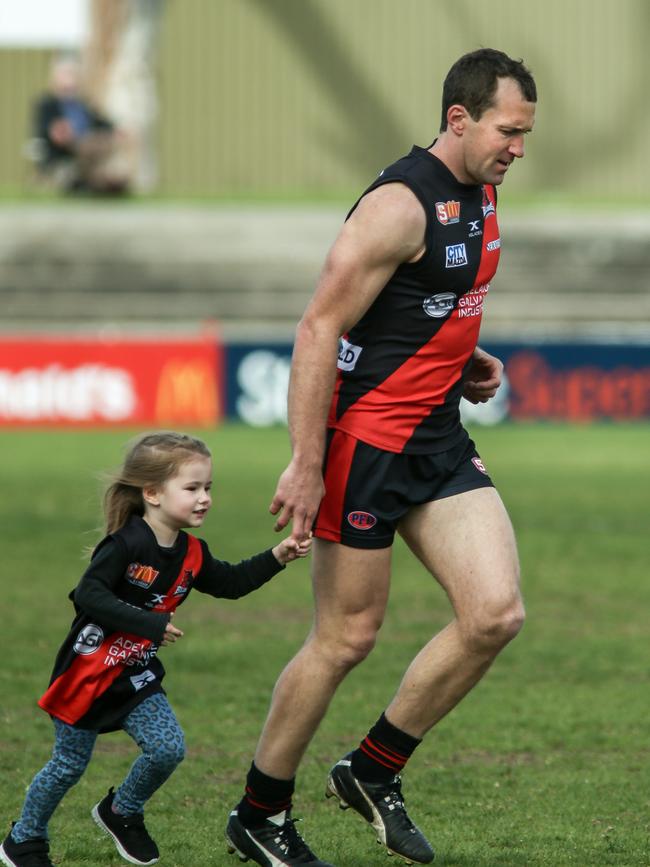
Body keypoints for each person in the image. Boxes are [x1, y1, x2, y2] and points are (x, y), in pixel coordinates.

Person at [224, 48, 537, 867]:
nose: (519, 147)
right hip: (366, 445)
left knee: (496, 612)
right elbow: (318, 327)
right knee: (345, 638)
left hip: (436, 434)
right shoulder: (399, 205)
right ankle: (259, 812)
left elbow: (426, 302)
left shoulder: (483, 188)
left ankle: (371, 769)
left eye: (527, 133)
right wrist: (304, 459)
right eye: (508, 130)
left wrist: (462, 355)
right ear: (460, 119)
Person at [0, 431, 311, 867]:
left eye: (208, 488)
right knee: (68, 764)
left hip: (134, 675)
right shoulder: (126, 544)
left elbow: (233, 584)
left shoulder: (192, 552)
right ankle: (25, 840)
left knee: (168, 749)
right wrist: (149, 622)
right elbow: (88, 594)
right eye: (192, 488)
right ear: (152, 493)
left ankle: (121, 811)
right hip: (87, 674)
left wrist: (278, 556)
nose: (204, 498)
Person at [32, 54, 131, 195]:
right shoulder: (47, 104)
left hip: (89, 149)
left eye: (73, 75)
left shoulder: (82, 104)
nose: (70, 80)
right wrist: (55, 132)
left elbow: (99, 121)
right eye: (66, 75)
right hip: (65, 153)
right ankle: (97, 181)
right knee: (89, 150)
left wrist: (115, 129)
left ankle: (107, 180)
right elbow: (43, 129)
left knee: (100, 146)